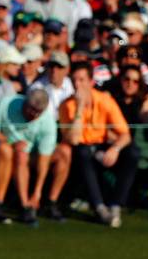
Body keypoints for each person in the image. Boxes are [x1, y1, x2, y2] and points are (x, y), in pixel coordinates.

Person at [52, 61, 138, 227]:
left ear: (91, 82)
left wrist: (115, 148)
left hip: (102, 145)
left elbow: (125, 133)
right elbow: (74, 139)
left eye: (82, 80)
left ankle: (115, 205)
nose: (78, 84)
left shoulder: (104, 100)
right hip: (79, 151)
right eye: (75, 80)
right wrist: (79, 109)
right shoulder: (67, 105)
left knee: (133, 152)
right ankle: (99, 207)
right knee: (83, 153)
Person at [0, 89, 57, 225]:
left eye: (38, 113)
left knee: (25, 156)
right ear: (25, 103)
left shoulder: (48, 122)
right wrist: (10, 142)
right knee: (19, 155)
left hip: (31, 155)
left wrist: (37, 192)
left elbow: (44, 160)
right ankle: (24, 205)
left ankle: (35, 202)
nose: (33, 115)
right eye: (30, 110)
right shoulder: (6, 104)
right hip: (6, 149)